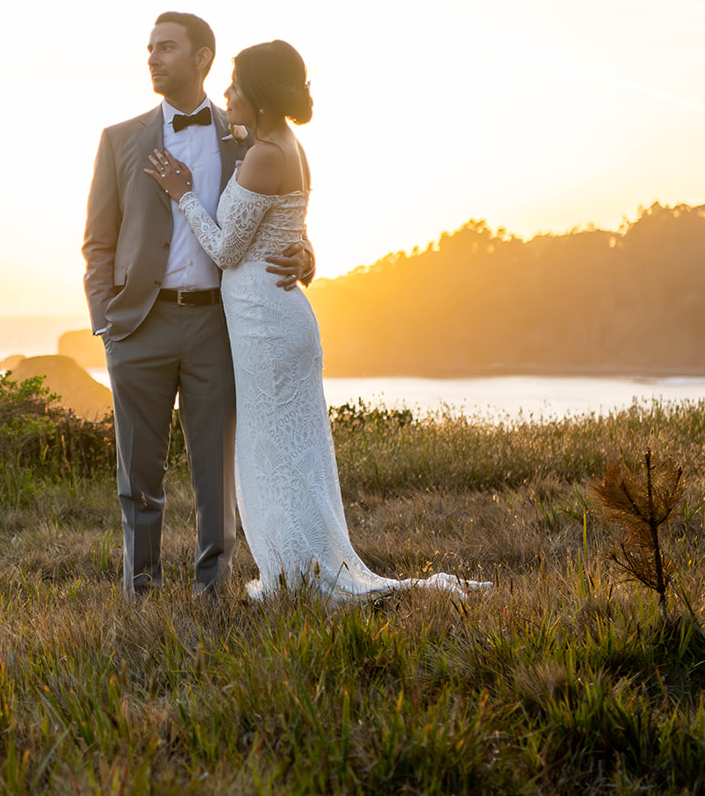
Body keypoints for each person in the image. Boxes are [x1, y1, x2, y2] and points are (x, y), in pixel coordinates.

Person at [146, 39, 489, 600]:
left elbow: (228, 250)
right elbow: (287, 228)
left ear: (257, 94)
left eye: (234, 85)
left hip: (266, 323)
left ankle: (300, 576)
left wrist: (183, 194)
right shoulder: (284, 144)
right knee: (288, 455)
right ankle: (296, 569)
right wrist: (307, 254)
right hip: (277, 319)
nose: (226, 94)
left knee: (271, 455)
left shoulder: (266, 154)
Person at [83, 12, 315, 600]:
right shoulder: (119, 139)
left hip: (218, 324)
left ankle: (212, 592)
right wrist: (106, 322)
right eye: (150, 49)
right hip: (138, 324)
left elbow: (281, 210)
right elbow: (98, 241)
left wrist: (306, 252)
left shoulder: (245, 138)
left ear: (202, 58)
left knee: (216, 472)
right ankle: (142, 592)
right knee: (138, 474)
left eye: (167, 48)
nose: (153, 58)